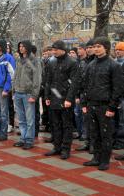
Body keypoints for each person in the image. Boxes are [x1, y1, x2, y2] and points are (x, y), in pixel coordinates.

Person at [76, 37, 123, 170]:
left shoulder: (113, 65)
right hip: (91, 104)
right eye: (95, 46)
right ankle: (96, 158)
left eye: (99, 46)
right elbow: (85, 85)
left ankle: (104, 160)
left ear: (106, 48)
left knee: (105, 134)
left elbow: (118, 88)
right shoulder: (91, 65)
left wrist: (112, 106)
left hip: (105, 106)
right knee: (94, 133)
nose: (96, 49)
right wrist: (84, 104)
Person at [45, 40, 77, 160]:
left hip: (65, 99)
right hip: (54, 98)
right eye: (52, 49)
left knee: (66, 125)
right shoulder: (51, 62)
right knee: (55, 124)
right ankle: (57, 147)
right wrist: (47, 96)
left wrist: (69, 99)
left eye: (55, 49)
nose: (53, 52)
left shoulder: (72, 63)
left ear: (63, 49)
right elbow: (48, 80)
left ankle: (65, 149)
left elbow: (74, 83)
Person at [12, 40, 42, 149]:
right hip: (18, 92)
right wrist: (13, 91)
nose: (21, 48)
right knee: (21, 118)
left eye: (23, 46)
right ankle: (23, 138)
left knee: (30, 119)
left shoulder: (34, 60)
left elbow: (37, 79)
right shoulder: (19, 60)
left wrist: (34, 95)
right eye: (19, 46)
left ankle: (29, 140)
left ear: (28, 48)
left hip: (28, 94)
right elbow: (15, 76)